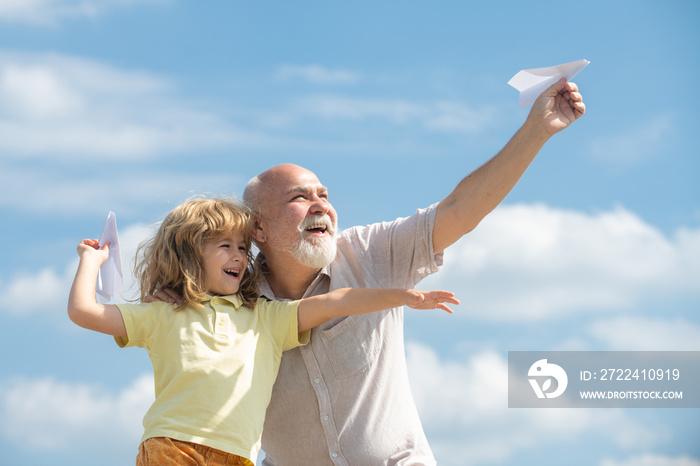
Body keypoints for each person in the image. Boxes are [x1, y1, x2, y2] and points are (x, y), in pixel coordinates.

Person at [155, 79, 585, 464]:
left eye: (324, 194)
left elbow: (459, 210)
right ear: (259, 228)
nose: (321, 204)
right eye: (299, 198)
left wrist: (537, 130)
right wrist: (171, 299)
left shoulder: (372, 253)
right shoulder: (229, 300)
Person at [67, 198, 459, 466]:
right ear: (189, 254)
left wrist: (404, 296)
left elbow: (334, 302)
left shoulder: (265, 319)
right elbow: (85, 311)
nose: (239, 256)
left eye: (243, 247)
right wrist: (92, 259)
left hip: (239, 456)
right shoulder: (165, 313)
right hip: (173, 448)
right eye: (224, 245)